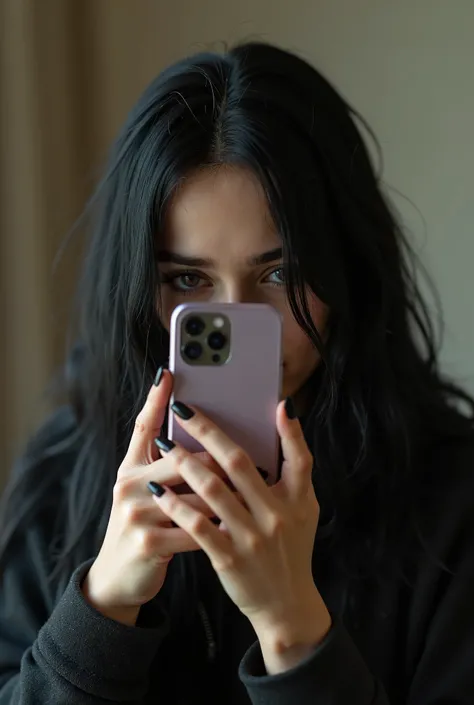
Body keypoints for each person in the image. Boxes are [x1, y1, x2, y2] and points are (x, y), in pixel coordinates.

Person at [0, 41, 473, 705]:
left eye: (281, 273)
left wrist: (293, 627)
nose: (236, 321)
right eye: (188, 279)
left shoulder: (453, 501)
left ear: (347, 269)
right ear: (137, 290)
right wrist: (102, 606)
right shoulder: (64, 475)